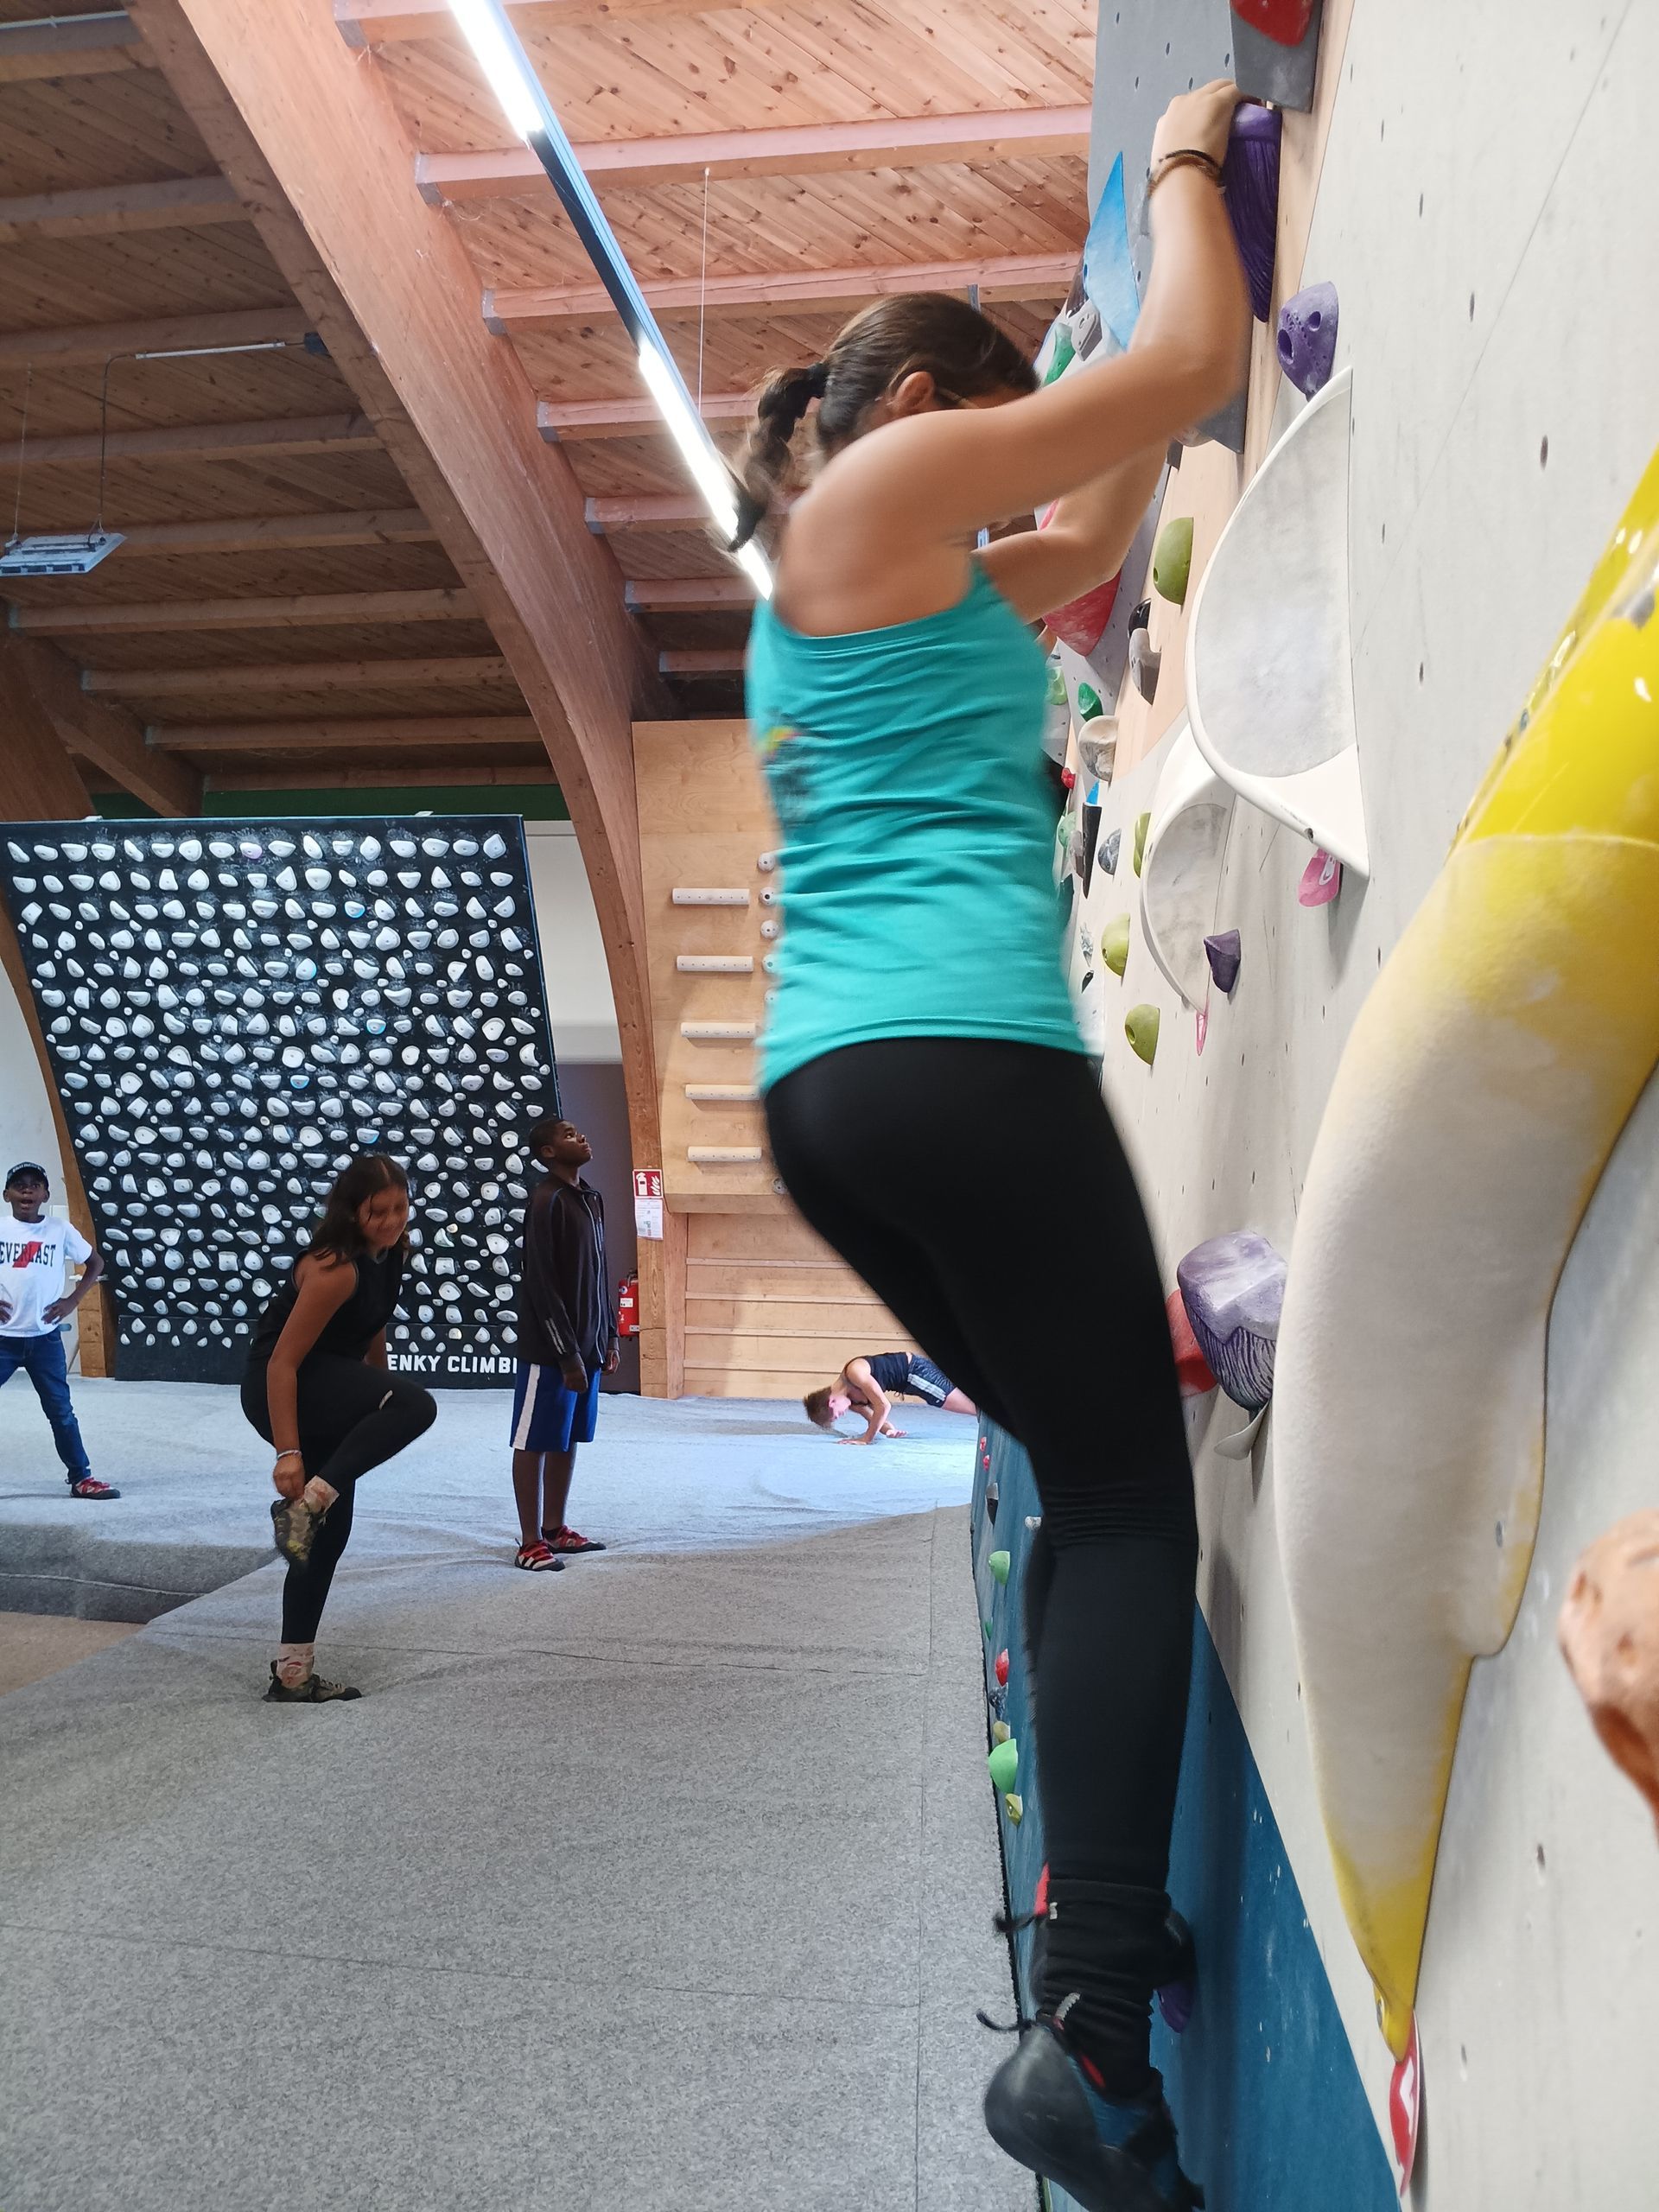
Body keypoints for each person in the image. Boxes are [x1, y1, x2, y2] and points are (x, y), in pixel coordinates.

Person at [738, 81, 1249, 2212]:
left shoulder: (886, 564)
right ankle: (1094, 2022)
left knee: (1083, 1475)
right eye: (1001, 410)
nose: (1009, 443)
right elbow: (1192, 375)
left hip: (840, 1094)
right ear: (937, 401)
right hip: (953, 1054)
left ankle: (1093, 1941)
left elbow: (1114, 512)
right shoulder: (894, 479)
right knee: (1132, 1498)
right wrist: (1201, 165)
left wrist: (1103, 381)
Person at [241, 1154, 435, 1702]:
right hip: (284, 1387)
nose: (393, 1221)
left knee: (323, 1540)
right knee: (420, 1407)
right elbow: (281, 1365)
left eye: (400, 1208)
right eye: (379, 1212)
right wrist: (288, 1452)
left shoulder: (390, 1254)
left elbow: (371, 1335)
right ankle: (303, 1502)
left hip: (331, 1388)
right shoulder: (333, 1268)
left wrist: (378, 1403)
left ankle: (293, 1674)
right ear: (351, 1212)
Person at [509, 1116, 619, 1571]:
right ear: (548, 1153)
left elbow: (599, 1272)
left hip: (588, 1349)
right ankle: (530, 1540)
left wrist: (607, 1335)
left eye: (582, 1130)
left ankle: (555, 1528)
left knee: (567, 1436)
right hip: (552, 1353)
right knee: (533, 1440)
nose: (583, 1136)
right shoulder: (545, 1199)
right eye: (571, 1134)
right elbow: (541, 1283)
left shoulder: (589, 1198)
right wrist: (567, 1354)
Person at [0, 1161, 118, 1500]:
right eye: (19, 1184)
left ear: (45, 1194)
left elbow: (95, 1262)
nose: (27, 1190)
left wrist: (73, 1300)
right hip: (4, 1338)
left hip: (44, 1339)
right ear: (6, 1194)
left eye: (35, 1185)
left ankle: (81, 1477)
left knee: (61, 1412)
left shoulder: (58, 1230)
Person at [804, 1351, 976, 1442]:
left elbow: (884, 1406)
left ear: (831, 1402)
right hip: (911, 1382)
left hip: (915, 1372)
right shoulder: (853, 1402)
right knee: (968, 1402)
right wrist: (889, 1430)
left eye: (837, 1414)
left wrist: (866, 1439)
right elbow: (876, 1419)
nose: (843, 1414)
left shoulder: (854, 1372)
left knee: (971, 1408)